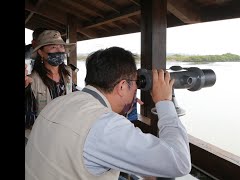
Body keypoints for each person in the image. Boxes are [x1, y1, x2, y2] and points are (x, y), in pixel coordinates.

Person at [25, 46, 192, 179]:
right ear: (121, 87)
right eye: (134, 84)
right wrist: (165, 103)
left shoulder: (59, 102)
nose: (136, 90)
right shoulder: (104, 125)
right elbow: (180, 162)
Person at [25, 30, 78, 130]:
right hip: (43, 135)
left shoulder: (68, 72)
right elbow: (28, 117)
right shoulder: (32, 81)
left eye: (61, 46)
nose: (59, 50)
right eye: (53, 47)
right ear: (41, 52)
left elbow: (73, 93)